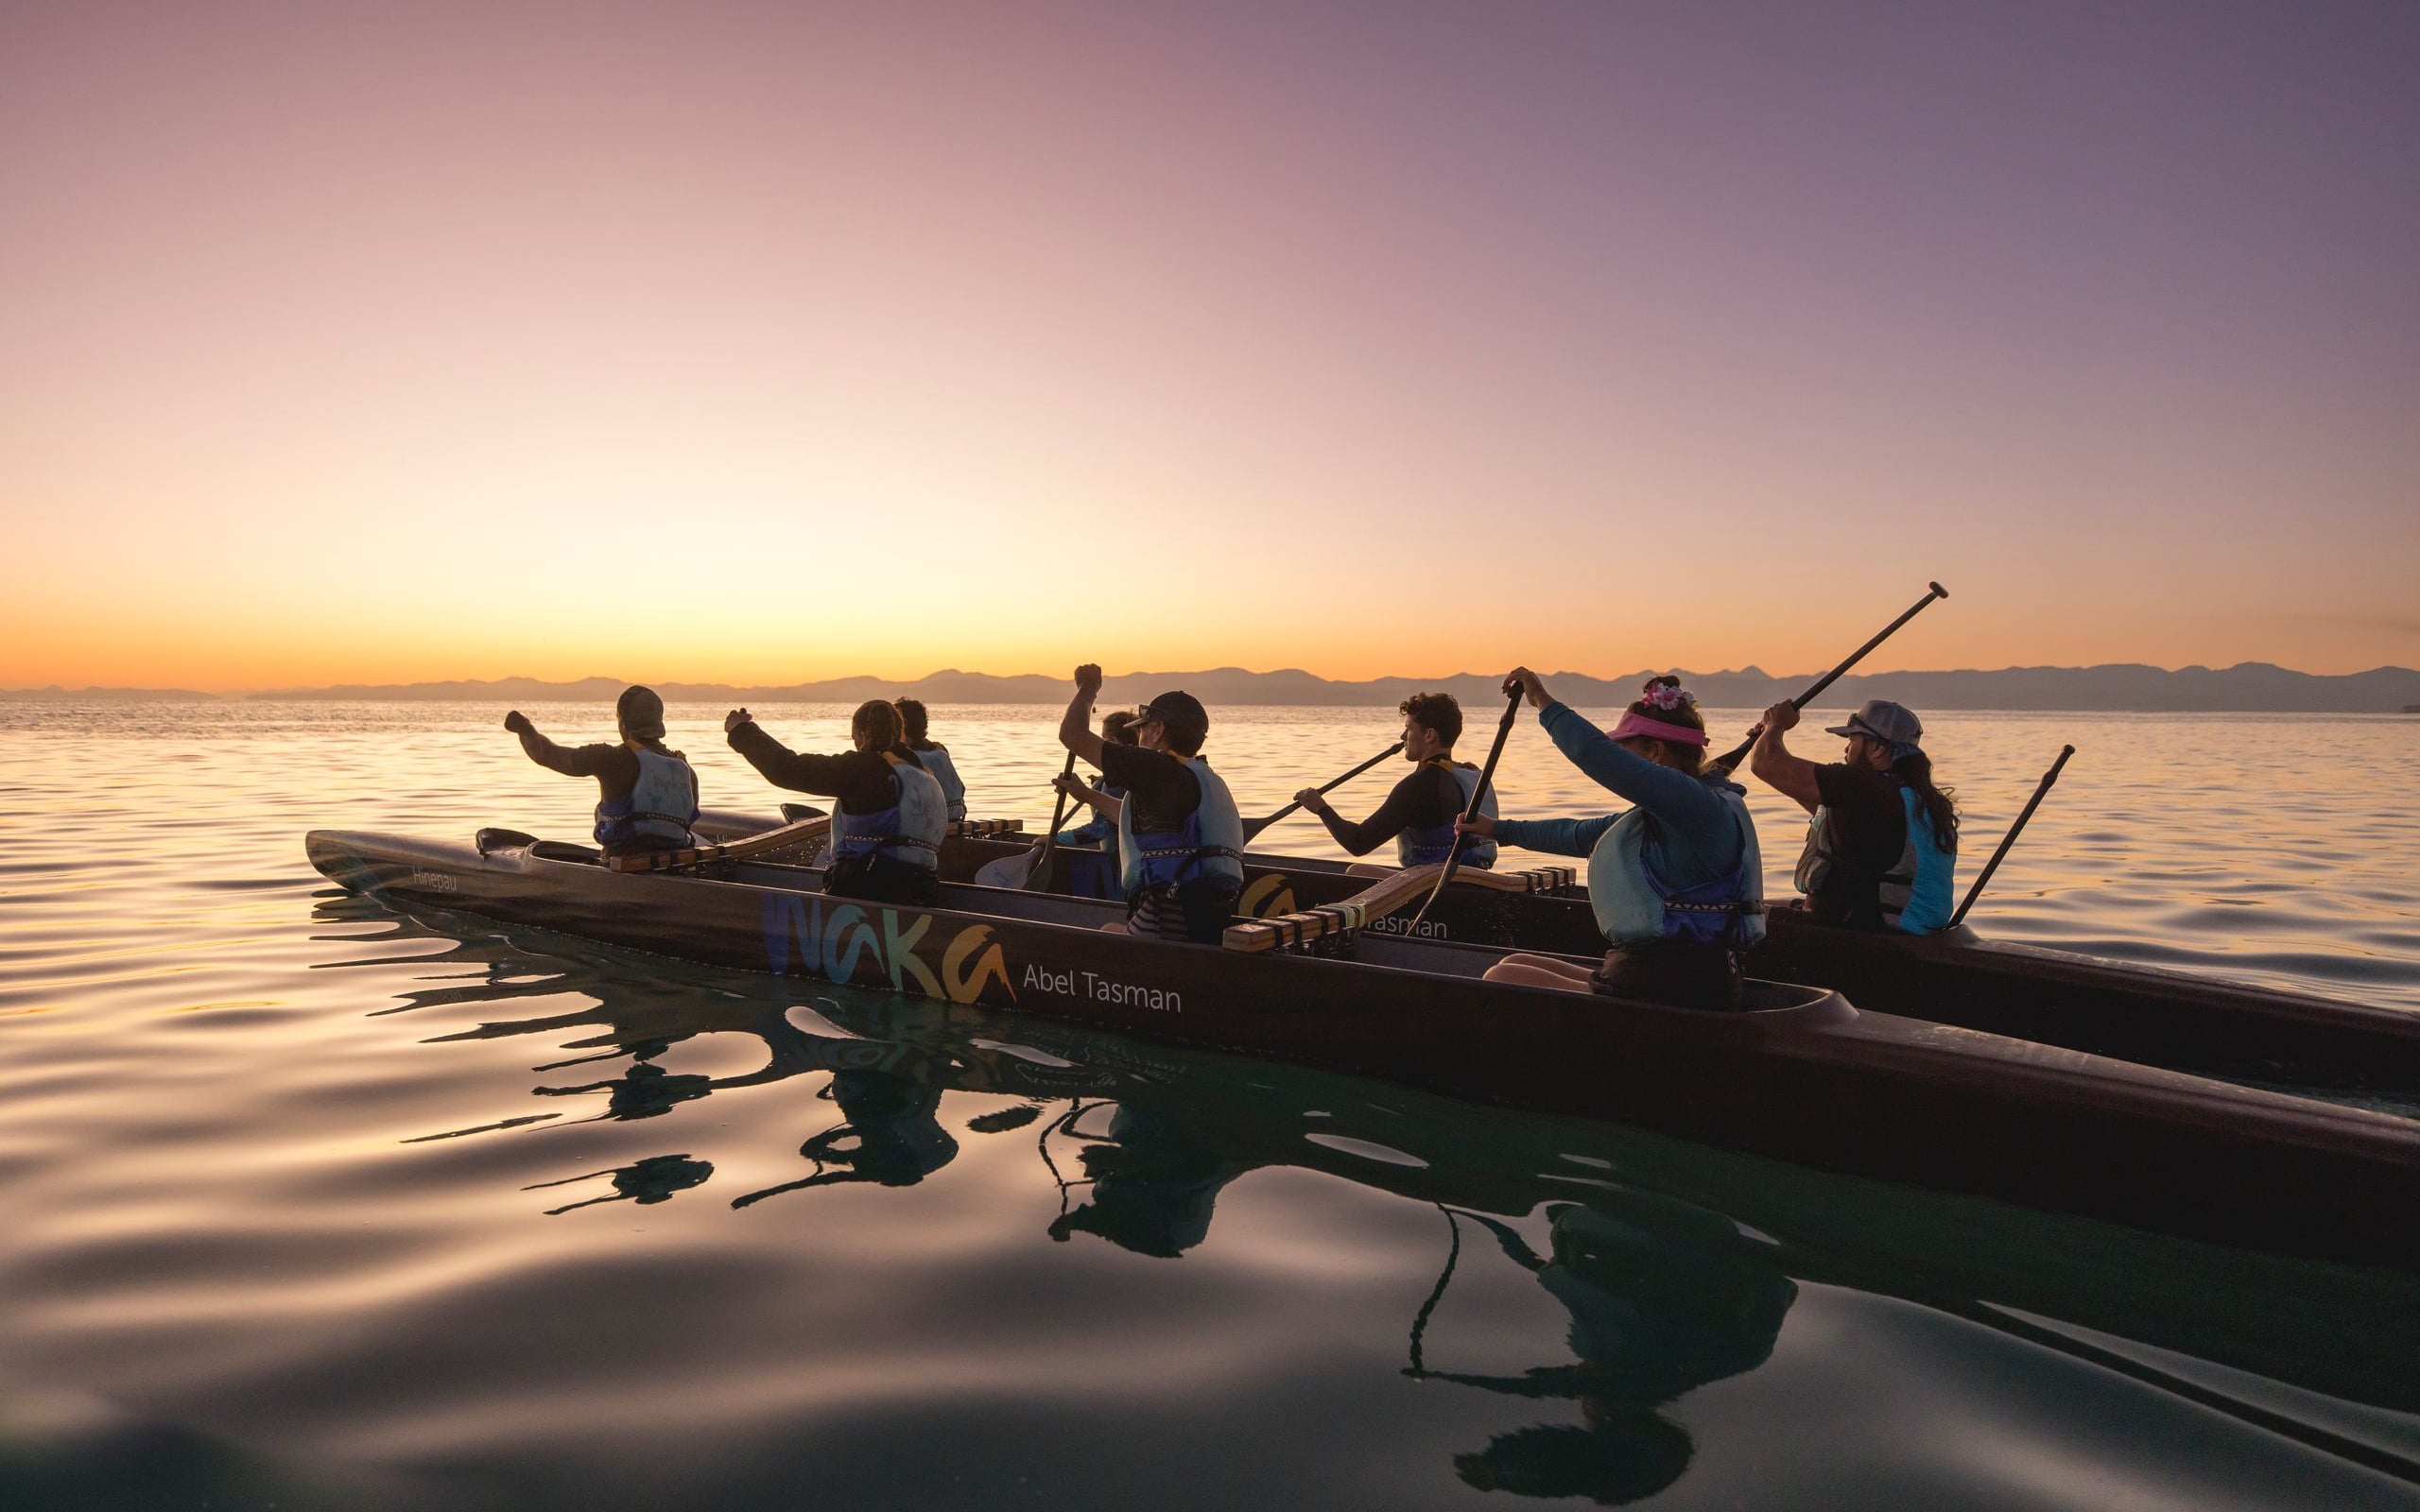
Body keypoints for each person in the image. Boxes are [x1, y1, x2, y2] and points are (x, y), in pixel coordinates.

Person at [1465, 673, 1763, 1007]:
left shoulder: (1696, 805)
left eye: (1624, 748)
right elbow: (1580, 835)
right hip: (1652, 973)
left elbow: (1596, 756)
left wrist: (1540, 700)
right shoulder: (1674, 811)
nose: (1619, 756)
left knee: (1500, 979)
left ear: (1655, 751)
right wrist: (1495, 830)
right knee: (1513, 963)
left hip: (1677, 985)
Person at [1056, 664, 1245, 940]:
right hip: (1207, 920)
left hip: (1168, 920)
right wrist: (1087, 795)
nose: (1140, 738)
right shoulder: (1199, 776)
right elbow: (1130, 817)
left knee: (1104, 936)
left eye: (1143, 730)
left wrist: (1088, 688)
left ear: (1158, 730)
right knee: (1112, 929)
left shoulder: (1156, 767)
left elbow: (1072, 735)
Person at [1747, 697, 1958, 934]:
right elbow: (1825, 812)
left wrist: (1776, 725)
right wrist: (1766, 738)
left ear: (1878, 748)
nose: (1846, 749)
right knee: (1760, 904)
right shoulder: (1919, 798)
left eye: (1852, 739)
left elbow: (1765, 763)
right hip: (1895, 929)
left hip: (1861, 934)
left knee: (1739, 912)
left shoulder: (1864, 786)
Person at [724, 699, 947, 904]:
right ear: (900, 734)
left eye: (853, 738)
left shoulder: (862, 768)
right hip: (923, 889)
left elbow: (785, 768)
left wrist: (742, 731)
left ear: (861, 735)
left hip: (868, 887)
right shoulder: (925, 775)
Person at [1293, 692, 1496, 878]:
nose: (1402, 737)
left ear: (1429, 735)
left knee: (1356, 872)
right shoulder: (1473, 775)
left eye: (1408, 728)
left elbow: (1358, 842)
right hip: (1478, 880)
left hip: (1438, 889)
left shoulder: (1419, 786)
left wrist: (1320, 807)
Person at [504, 686, 700, 858]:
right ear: (659, 723)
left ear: (623, 723)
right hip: (673, 866)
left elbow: (544, 753)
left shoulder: (610, 758)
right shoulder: (685, 770)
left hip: (623, 868)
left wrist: (524, 727)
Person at [1049, 709, 1140, 898]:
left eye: (1102, 738)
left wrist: (1055, 839)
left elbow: (1100, 830)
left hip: (1121, 868)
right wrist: (1095, 785)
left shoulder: (1115, 782)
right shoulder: (1137, 773)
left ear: (1113, 742)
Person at [892, 698, 968, 822]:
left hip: (930, 829)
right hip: (956, 822)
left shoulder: (903, 759)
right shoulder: (941, 752)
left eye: (893, 720)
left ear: (902, 725)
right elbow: (961, 789)